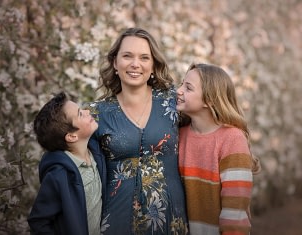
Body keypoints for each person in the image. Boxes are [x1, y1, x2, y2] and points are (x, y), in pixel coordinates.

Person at [88, 27, 189, 234]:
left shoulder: (174, 102)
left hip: (171, 220)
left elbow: (211, 118)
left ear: (153, 65)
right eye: (127, 56)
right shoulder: (96, 113)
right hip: (116, 221)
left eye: (144, 57)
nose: (135, 64)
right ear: (115, 62)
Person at [177, 63, 261, 235]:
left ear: (210, 100)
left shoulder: (232, 140)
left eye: (188, 87)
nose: (178, 90)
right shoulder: (179, 135)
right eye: (181, 83)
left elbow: (235, 212)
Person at [28, 92, 106, 235]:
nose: (87, 111)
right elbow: (38, 221)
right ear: (71, 136)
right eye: (80, 114)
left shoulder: (96, 154)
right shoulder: (59, 176)